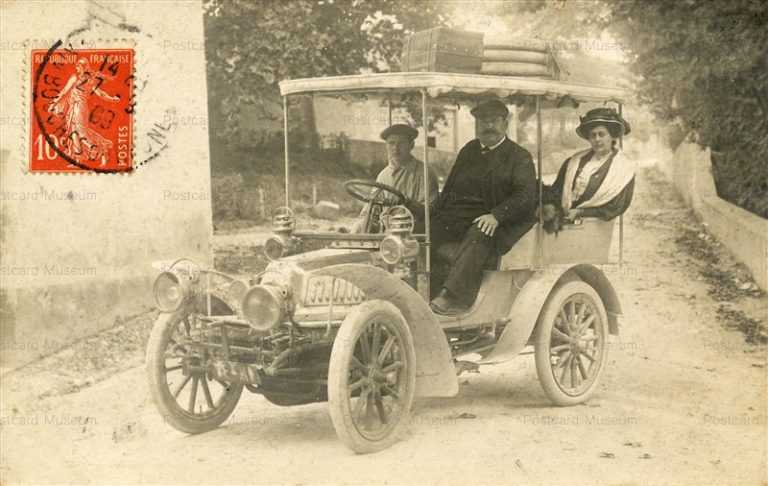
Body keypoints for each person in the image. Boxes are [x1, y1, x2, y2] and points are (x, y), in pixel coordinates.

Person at [429, 99, 537, 314]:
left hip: (501, 222)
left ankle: (450, 296)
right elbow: (450, 189)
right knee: (425, 229)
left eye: (494, 121)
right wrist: (432, 214)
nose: (488, 126)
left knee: (480, 231)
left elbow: (526, 195)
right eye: (482, 121)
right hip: (461, 217)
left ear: (505, 124)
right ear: (476, 125)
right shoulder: (469, 151)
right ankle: (418, 289)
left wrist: (496, 215)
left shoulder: (519, 156)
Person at [541, 107, 635, 232]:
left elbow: (616, 206)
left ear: (612, 136)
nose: (597, 139)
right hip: (564, 224)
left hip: (596, 227)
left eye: (601, 134)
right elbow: (557, 191)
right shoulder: (573, 162)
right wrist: (551, 206)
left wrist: (581, 212)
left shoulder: (623, 167)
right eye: (593, 135)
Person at [353, 123, 438, 232]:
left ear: (411, 145)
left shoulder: (425, 173)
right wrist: (362, 222)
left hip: (412, 232)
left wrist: (407, 203)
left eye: (401, 143)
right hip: (386, 230)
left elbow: (431, 211)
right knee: (359, 227)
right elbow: (371, 207)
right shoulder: (383, 175)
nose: (395, 148)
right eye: (391, 143)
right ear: (386, 146)